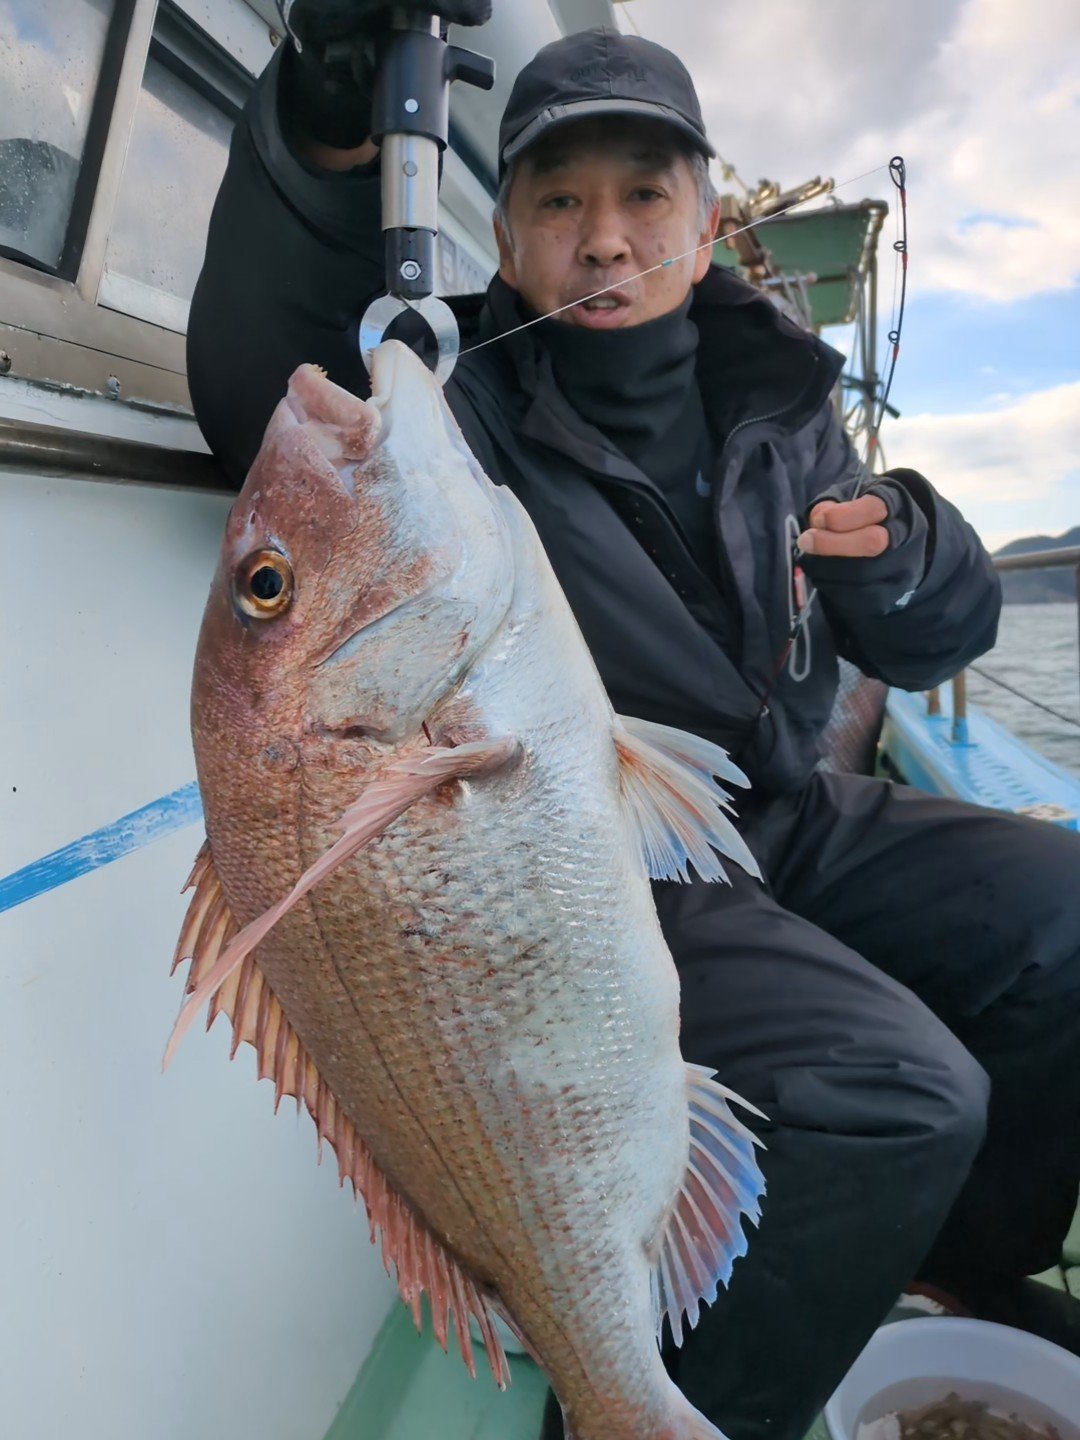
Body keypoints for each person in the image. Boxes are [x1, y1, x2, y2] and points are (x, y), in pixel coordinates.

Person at [186, 7, 1080, 1437]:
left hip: (780, 808)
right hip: (606, 857)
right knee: (905, 1092)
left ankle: (954, 1264)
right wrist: (322, 122)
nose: (603, 239)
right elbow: (262, 372)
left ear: (705, 223)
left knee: (1065, 918)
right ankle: (636, 1403)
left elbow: (939, 637)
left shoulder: (786, 398)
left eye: (643, 196)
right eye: (558, 200)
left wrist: (910, 555)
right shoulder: (457, 394)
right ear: (505, 234)